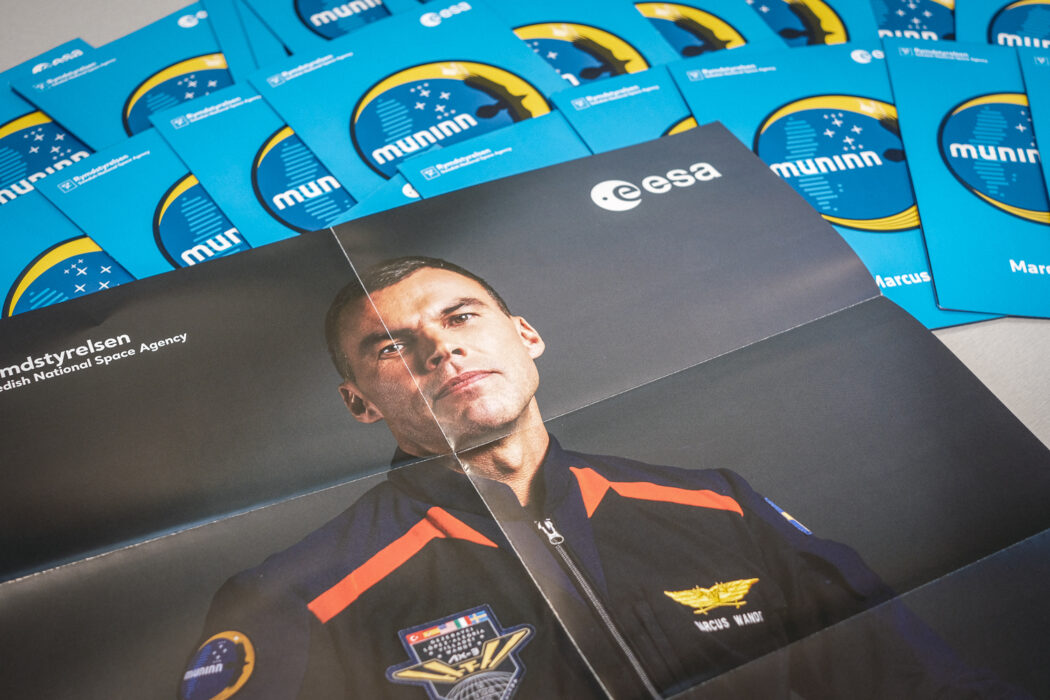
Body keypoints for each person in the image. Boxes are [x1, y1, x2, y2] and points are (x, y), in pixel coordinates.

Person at [179, 257, 1023, 700]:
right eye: (393, 347)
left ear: (525, 336)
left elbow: (923, 684)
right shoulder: (298, 596)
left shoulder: (716, 506)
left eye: (462, 317)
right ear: (360, 402)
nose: (443, 348)